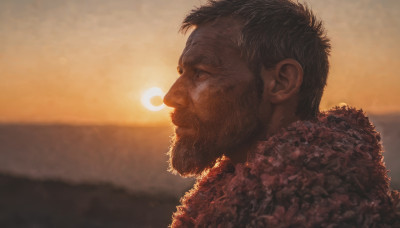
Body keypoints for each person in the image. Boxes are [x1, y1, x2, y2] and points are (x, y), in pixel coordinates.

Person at [163, 0, 400, 227]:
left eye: (200, 73)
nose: (170, 97)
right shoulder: (219, 200)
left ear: (281, 82)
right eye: (182, 71)